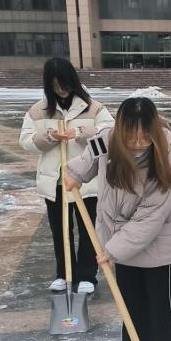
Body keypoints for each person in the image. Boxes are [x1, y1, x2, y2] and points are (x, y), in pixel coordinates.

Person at [64, 97, 171, 341]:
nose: (138, 144)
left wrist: (112, 250)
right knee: (131, 305)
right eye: (131, 137)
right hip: (120, 242)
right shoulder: (107, 140)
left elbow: (149, 220)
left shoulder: (166, 160)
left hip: (160, 245)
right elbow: (89, 157)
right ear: (120, 131)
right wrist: (74, 175)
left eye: (145, 137)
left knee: (162, 308)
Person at [19, 57, 114, 295]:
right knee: (60, 230)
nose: (61, 90)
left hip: (85, 181)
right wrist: (48, 137)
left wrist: (82, 133)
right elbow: (26, 141)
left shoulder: (93, 107)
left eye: (64, 84)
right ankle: (64, 273)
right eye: (55, 85)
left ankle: (87, 275)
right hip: (55, 181)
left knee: (88, 229)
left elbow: (109, 136)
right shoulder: (38, 111)